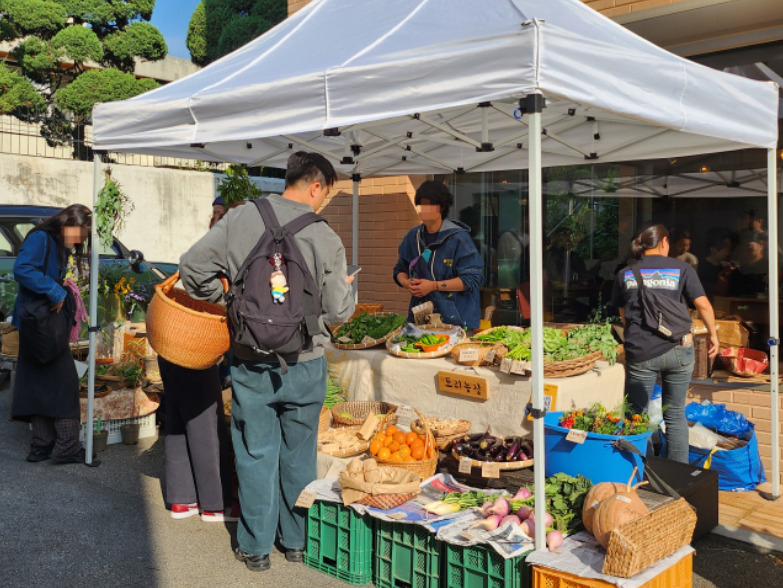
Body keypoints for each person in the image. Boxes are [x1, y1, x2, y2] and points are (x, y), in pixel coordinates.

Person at [178, 152, 354, 572]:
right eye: (326, 194)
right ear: (315, 185)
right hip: (306, 360)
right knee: (299, 454)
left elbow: (191, 268)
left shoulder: (240, 219)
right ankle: (294, 541)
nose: (323, 202)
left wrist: (230, 303)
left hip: (250, 359)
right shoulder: (324, 235)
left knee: (255, 452)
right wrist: (346, 291)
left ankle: (255, 548)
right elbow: (339, 312)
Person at [613, 224, 719, 464]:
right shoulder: (683, 269)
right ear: (664, 243)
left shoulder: (625, 274)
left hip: (641, 353)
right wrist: (713, 334)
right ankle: (677, 476)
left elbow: (624, 315)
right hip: (679, 349)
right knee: (675, 415)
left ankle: (642, 468)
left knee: (635, 415)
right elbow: (703, 305)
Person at [160, 213, 237, 523]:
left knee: (179, 417)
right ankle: (215, 504)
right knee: (206, 423)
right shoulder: (222, 257)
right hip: (196, 342)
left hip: (171, 340)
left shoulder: (206, 249)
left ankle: (182, 500)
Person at [11, 204, 91, 464]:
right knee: (65, 384)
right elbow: (22, 270)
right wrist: (56, 291)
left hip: (38, 324)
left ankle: (41, 445)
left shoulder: (55, 242)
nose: (79, 241)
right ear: (66, 223)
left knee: (37, 384)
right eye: (79, 234)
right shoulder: (41, 238)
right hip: (40, 325)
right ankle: (66, 447)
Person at [393, 181, 484, 332]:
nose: (423, 210)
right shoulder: (412, 236)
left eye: (428, 205)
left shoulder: (459, 239)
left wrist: (432, 286)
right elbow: (399, 268)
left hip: (455, 323)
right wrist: (406, 282)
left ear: (441, 207)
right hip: (420, 321)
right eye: (421, 205)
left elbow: (472, 279)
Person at [698, 230, 735, 299]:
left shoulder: (725, 269)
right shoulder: (699, 267)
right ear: (713, 250)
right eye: (725, 247)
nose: (728, 252)